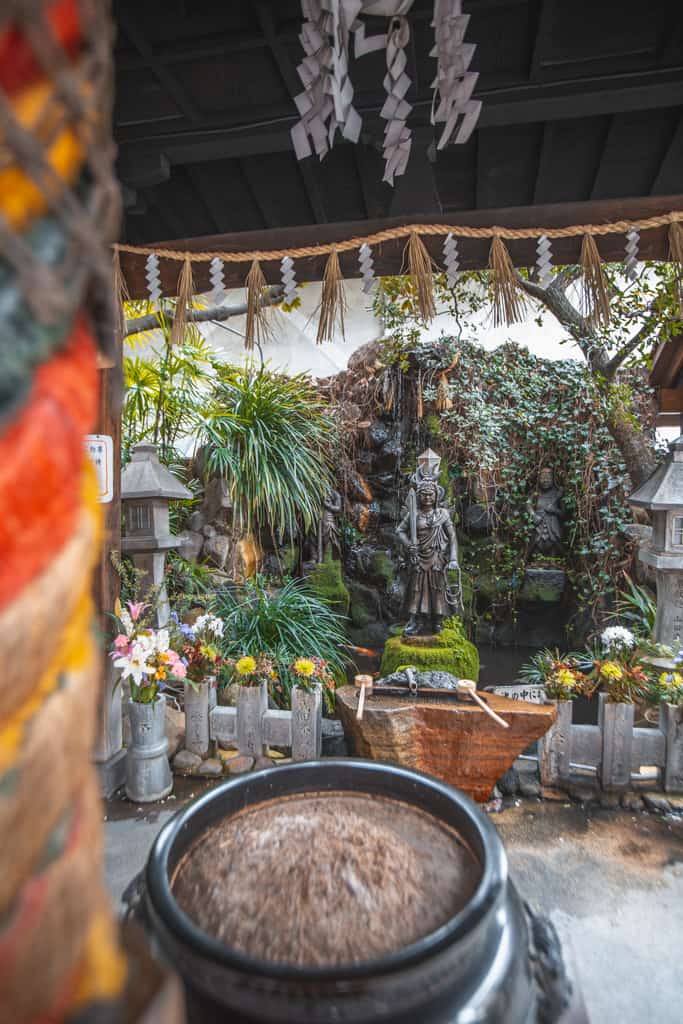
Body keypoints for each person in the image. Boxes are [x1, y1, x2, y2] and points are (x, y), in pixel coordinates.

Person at [396, 478, 460, 635]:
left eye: (431, 494)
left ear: (436, 495)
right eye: (424, 494)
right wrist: (409, 544)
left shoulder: (443, 514)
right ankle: (415, 620)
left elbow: (452, 537)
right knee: (416, 588)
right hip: (418, 557)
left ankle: (437, 620)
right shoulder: (414, 514)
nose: (427, 497)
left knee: (437, 588)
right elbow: (399, 531)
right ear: (418, 496)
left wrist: (453, 559)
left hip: (437, 556)